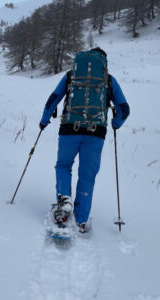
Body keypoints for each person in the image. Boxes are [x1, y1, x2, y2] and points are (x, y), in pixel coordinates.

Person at [39, 47, 130, 233]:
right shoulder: (109, 80)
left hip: (68, 130)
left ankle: (64, 200)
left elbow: (53, 99)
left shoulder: (71, 76)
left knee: (63, 166)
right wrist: (116, 123)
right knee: (87, 176)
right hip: (95, 134)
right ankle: (80, 220)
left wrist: (44, 121)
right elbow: (124, 109)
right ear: (103, 63)